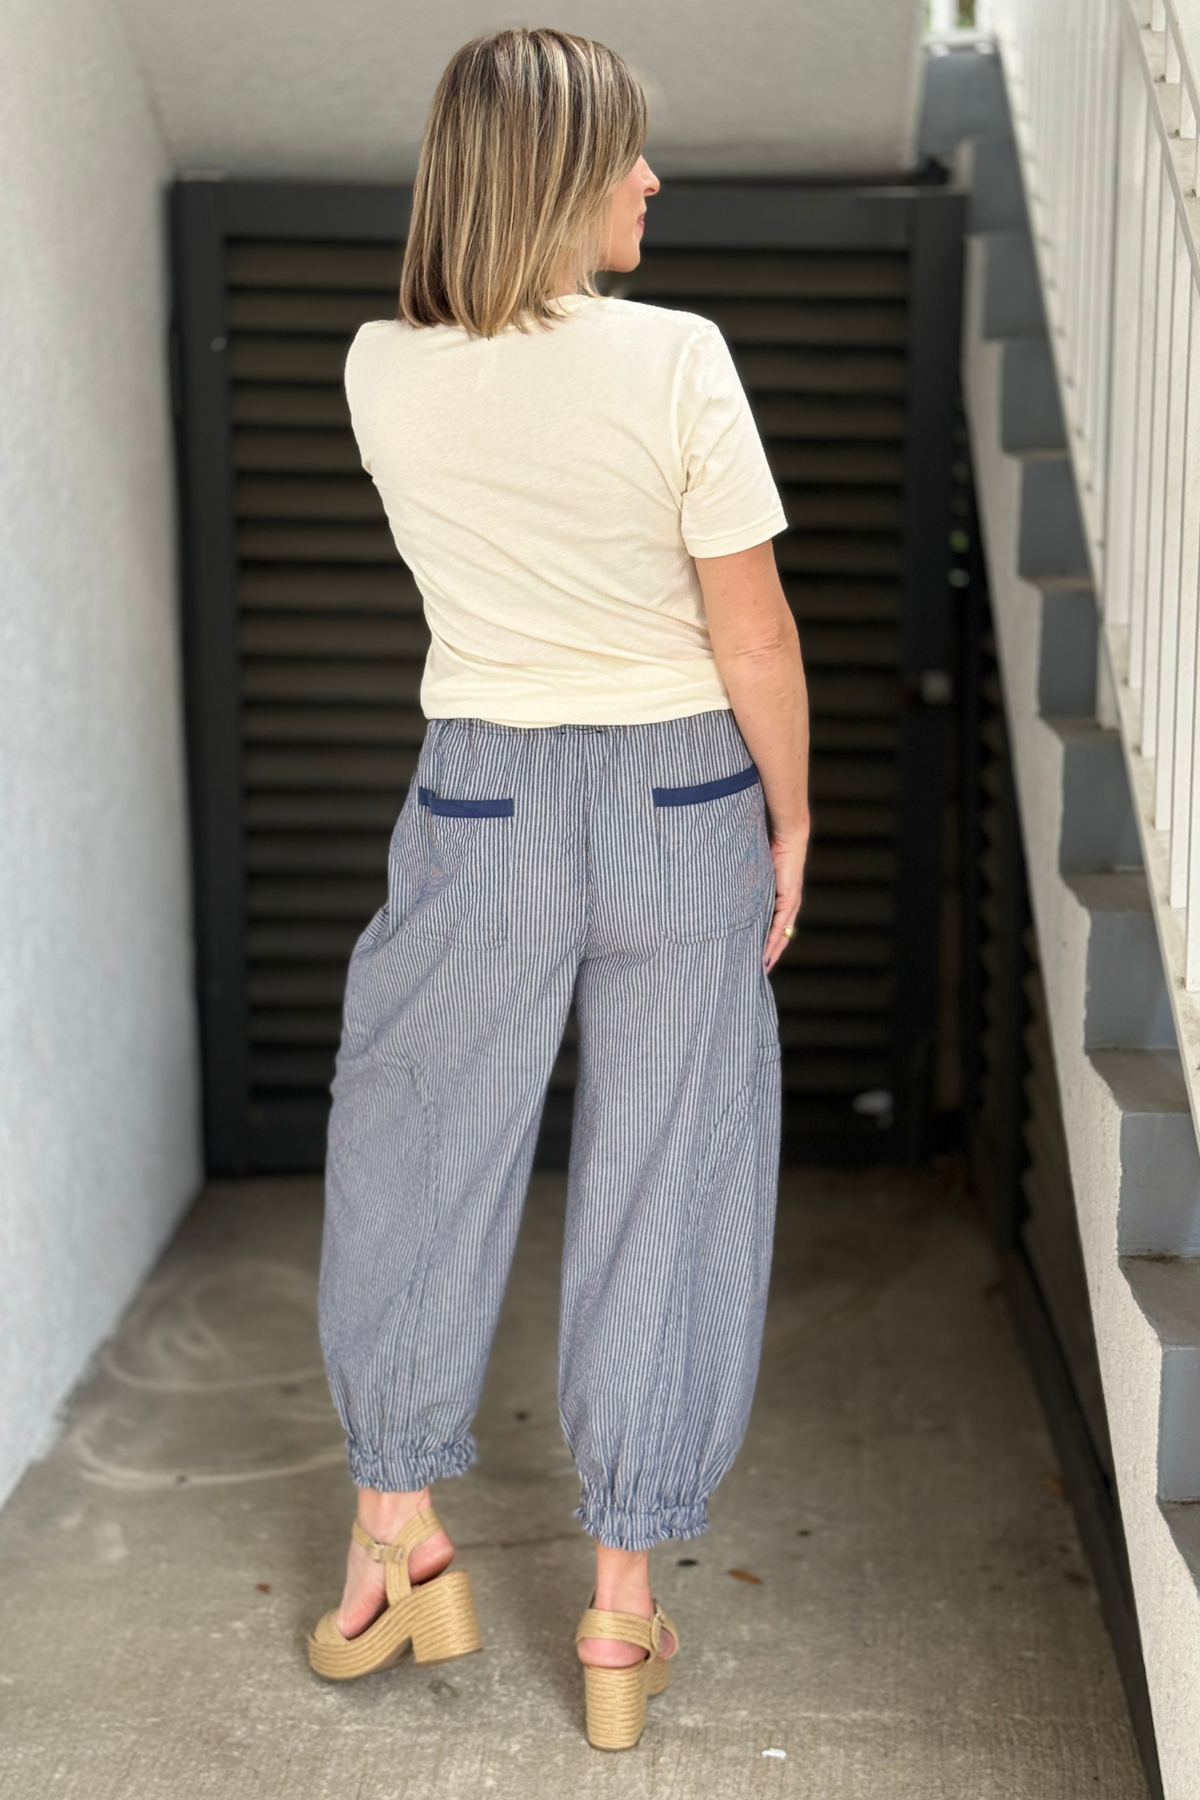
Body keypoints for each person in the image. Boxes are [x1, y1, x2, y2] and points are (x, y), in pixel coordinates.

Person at [306, 26, 810, 1751]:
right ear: (557, 176)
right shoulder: (679, 360)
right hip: (682, 797)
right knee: (672, 1172)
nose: (652, 183)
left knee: (418, 1142)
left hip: (484, 798)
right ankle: (619, 1617)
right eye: (628, 158)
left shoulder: (383, 366)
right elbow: (750, 625)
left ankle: (396, 1529)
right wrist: (791, 823)